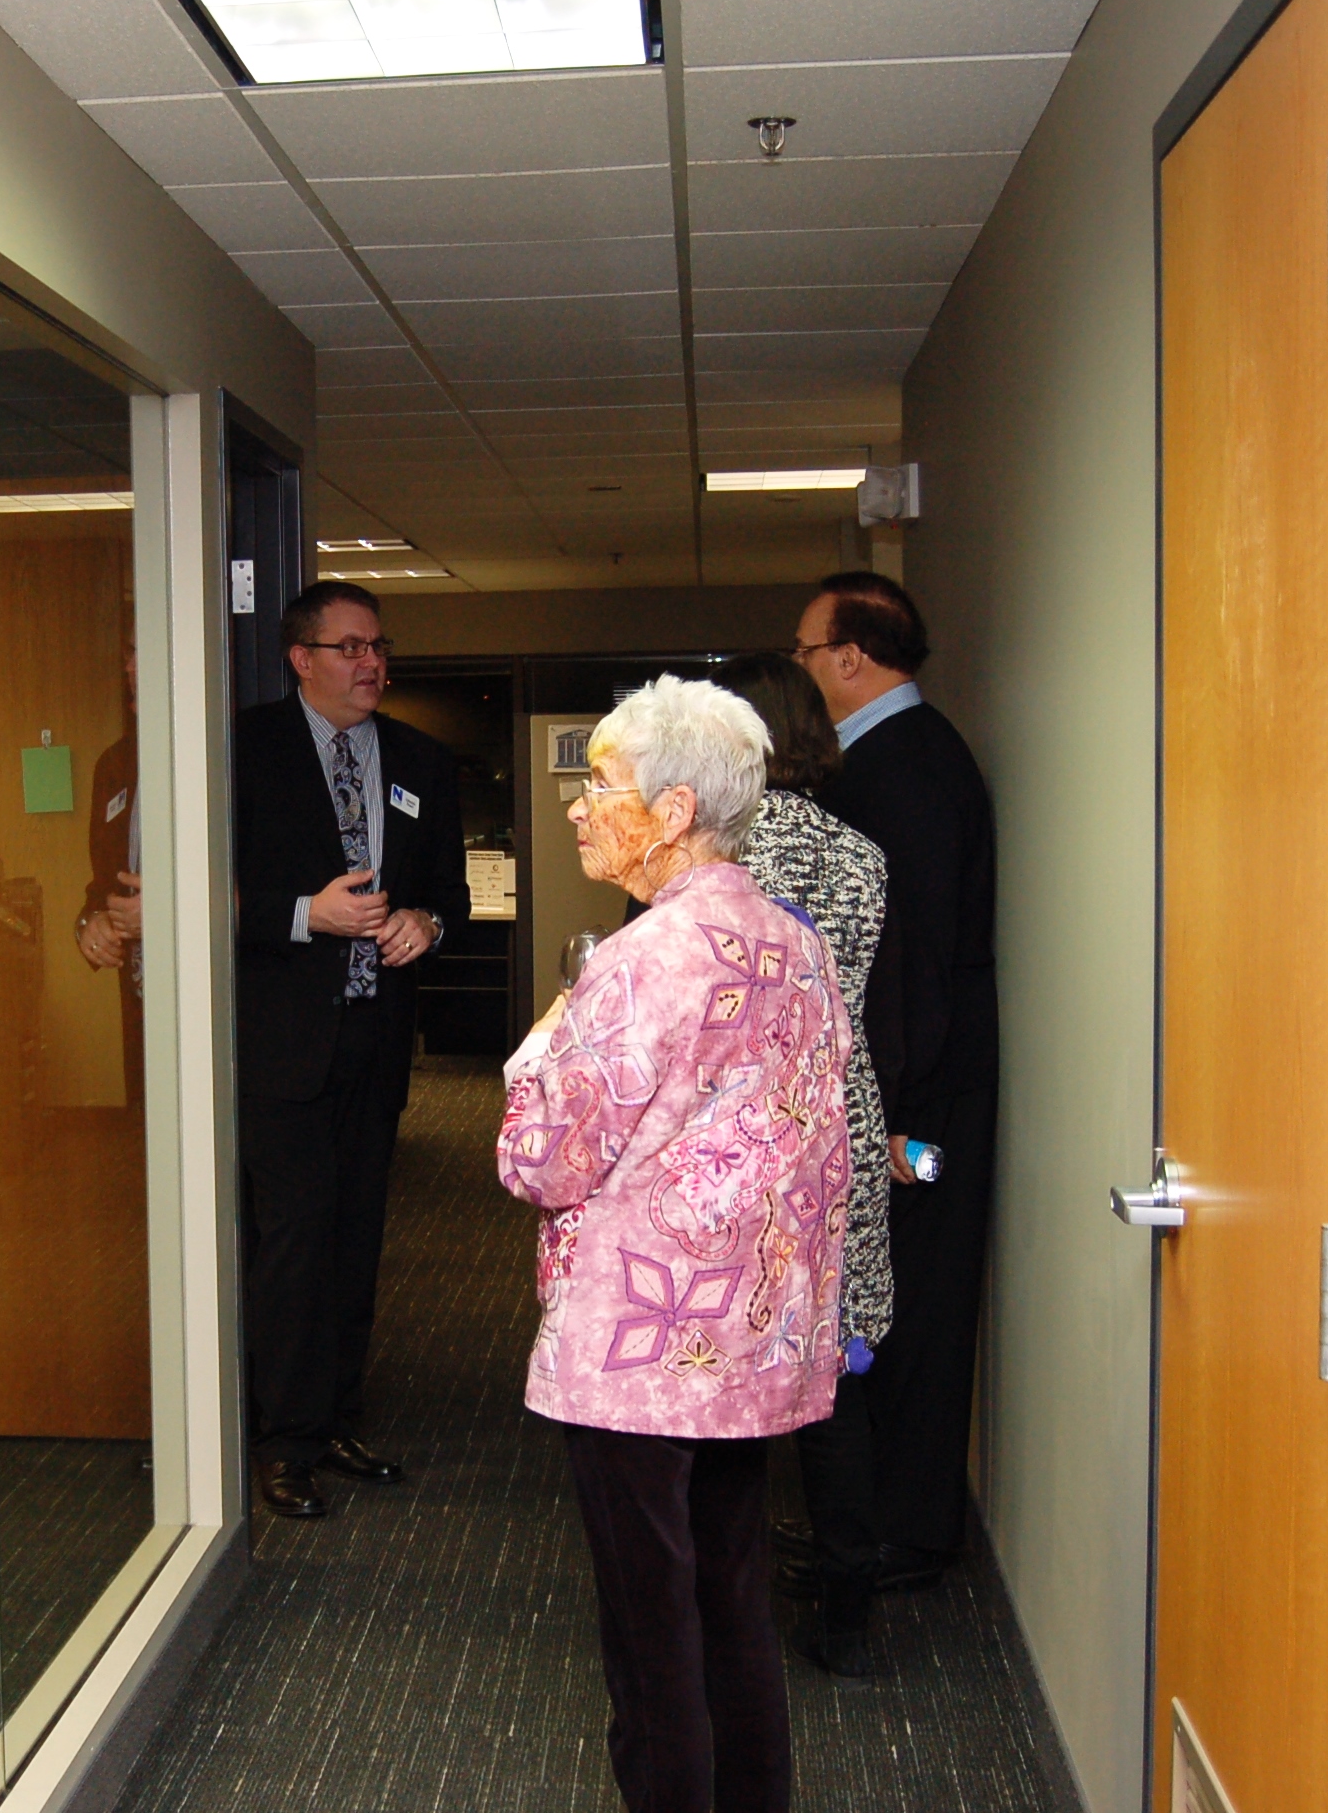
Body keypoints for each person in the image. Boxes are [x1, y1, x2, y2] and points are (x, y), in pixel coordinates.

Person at [499, 675, 852, 1813]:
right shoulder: (791, 945)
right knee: (730, 1605)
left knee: (650, 1647)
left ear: (674, 810)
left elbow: (542, 1161)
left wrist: (538, 1046)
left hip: (638, 1354)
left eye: (601, 784)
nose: (578, 805)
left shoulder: (645, 959)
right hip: (742, 1340)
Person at [234, 582, 466, 1520]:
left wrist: (426, 922)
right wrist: (307, 915)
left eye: (378, 647)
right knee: (293, 1243)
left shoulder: (420, 759)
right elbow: (196, 892)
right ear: (302, 658)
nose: (371, 663)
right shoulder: (241, 750)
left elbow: (449, 890)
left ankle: (335, 1416)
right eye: (351, 648)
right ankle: (282, 1439)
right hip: (281, 1044)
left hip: (375, 1042)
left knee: (356, 1239)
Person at [791, 569, 998, 1593]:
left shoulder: (903, 770)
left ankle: (900, 1535)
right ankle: (871, 1521)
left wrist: (890, 1125)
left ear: (848, 657)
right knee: (886, 1305)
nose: (799, 669)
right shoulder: (888, 758)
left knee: (910, 1311)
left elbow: (908, 971)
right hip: (903, 1087)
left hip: (916, 1100)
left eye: (803, 651)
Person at [711, 651, 895, 1681]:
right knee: (831, 1362)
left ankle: (722, 1607)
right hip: (836, 1118)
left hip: (735, 1129)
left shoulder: (708, 859)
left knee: (722, 1358)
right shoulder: (859, 854)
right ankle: (846, 1608)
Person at [75, 639, 144, 1104]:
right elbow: (102, 886)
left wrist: (168, 914)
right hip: (142, 1005)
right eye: (129, 653)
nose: (130, 667)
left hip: (222, 1005)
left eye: (142, 651)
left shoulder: (227, 756)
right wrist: (92, 922)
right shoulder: (115, 764)